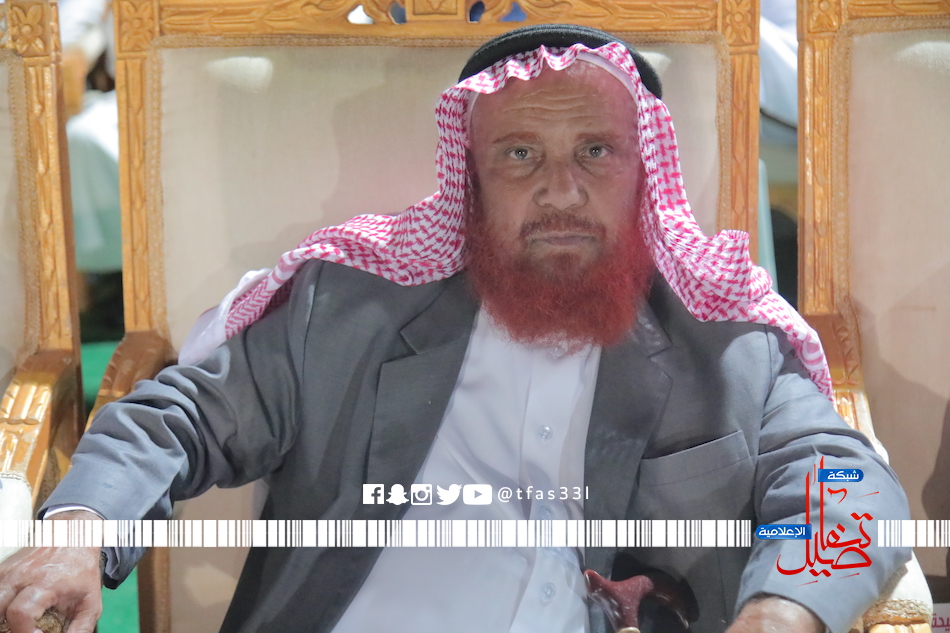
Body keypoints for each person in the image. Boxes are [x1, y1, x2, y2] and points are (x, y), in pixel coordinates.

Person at [0, 24, 910, 633]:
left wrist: (785, 608)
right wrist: (80, 525)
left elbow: (846, 482)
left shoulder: (726, 340)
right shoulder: (346, 309)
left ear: (645, 174)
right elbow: (179, 417)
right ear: (469, 182)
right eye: (520, 155)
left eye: (597, 152)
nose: (560, 190)